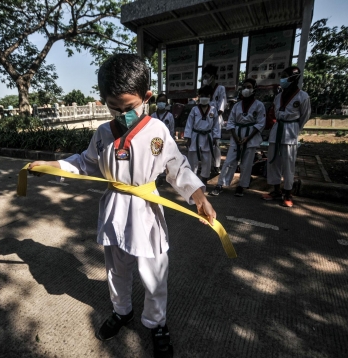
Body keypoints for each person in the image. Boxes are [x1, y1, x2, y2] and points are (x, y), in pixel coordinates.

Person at [27, 53, 216, 358]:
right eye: (114, 108)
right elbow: (85, 163)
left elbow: (176, 166)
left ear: (147, 98)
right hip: (115, 210)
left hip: (147, 211)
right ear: (104, 102)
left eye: (129, 108)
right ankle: (122, 311)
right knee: (116, 270)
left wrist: (198, 196)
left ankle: (156, 323)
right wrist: (53, 166)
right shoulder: (102, 134)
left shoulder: (157, 131)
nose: (122, 114)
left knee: (155, 273)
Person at [262, 66, 311, 207]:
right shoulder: (278, 96)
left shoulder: (303, 96)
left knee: (288, 165)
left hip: (290, 130)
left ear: (293, 78)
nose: (282, 79)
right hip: (277, 129)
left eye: (285, 76)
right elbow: (274, 114)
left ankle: (288, 193)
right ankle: (276, 190)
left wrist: (294, 128)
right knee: (272, 162)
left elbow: (305, 116)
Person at [210, 78, 265, 197]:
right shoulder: (237, 106)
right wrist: (235, 137)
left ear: (254, 89)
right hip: (236, 136)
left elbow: (260, 123)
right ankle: (220, 184)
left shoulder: (259, 105)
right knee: (229, 161)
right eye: (244, 87)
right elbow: (230, 122)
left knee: (246, 163)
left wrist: (247, 138)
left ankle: (241, 186)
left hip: (250, 137)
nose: (246, 89)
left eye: (249, 87)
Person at [184, 85, 221, 185]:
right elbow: (189, 124)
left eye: (206, 95)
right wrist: (188, 137)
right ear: (199, 97)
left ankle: (204, 177)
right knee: (193, 157)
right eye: (202, 95)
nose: (204, 97)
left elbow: (216, 125)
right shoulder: (194, 109)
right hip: (195, 135)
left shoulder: (213, 110)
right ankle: (192, 177)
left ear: (210, 96)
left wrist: (215, 137)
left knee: (207, 157)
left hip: (208, 136)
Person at [202, 64, 226, 175]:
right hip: (205, 120)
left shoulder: (220, 89)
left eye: (206, 76)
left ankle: (216, 166)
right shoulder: (204, 90)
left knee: (216, 143)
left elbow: (221, 107)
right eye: (204, 77)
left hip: (216, 120)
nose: (205, 79)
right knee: (205, 142)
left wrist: (213, 117)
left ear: (213, 76)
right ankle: (206, 165)